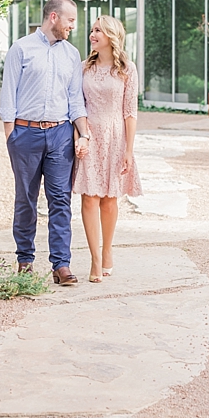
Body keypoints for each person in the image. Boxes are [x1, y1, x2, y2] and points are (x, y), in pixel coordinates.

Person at [0, 0, 90, 286]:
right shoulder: (21, 49)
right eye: (70, 20)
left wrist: (83, 133)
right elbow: (7, 96)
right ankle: (25, 261)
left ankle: (61, 265)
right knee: (25, 198)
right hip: (25, 134)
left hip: (61, 134)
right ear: (54, 17)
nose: (73, 26)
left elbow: (76, 100)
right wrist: (11, 137)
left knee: (60, 200)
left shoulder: (72, 55)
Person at [71, 15, 142, 282]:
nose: (92, 34)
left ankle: (108, 249)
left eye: (98, 30)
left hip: (115, 137)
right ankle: (95, 259)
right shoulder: (83, 68)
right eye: (91, 30)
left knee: (110, 199)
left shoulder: (127, 69)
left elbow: (130, 112)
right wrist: (82, 136)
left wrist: (128, 150)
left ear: (111, 36)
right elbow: (77, 106)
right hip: (89, 135)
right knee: (89, 197)